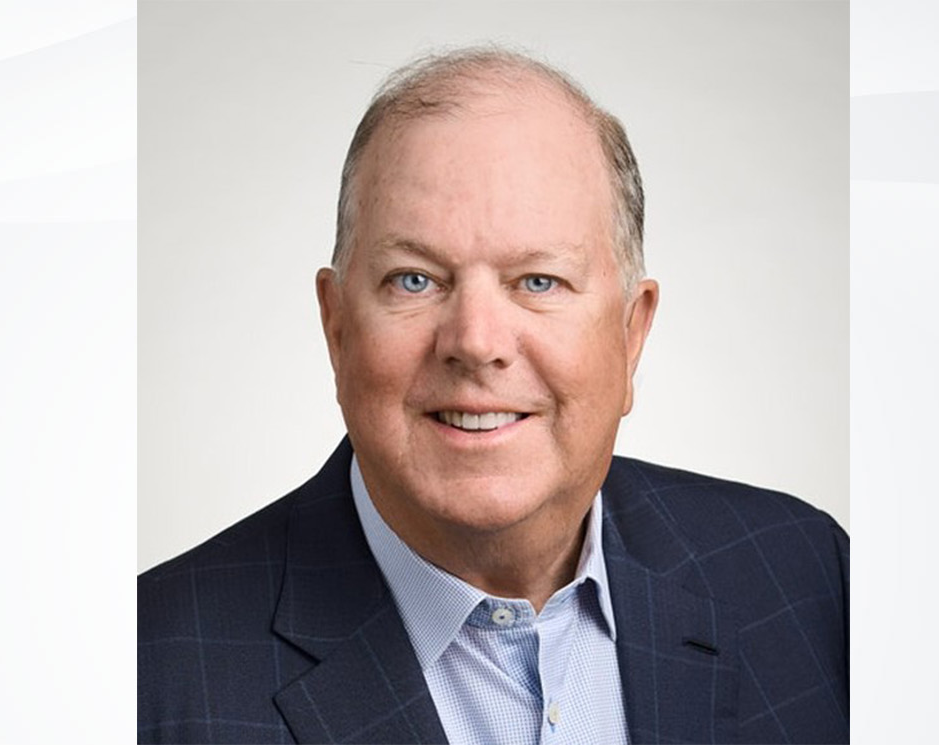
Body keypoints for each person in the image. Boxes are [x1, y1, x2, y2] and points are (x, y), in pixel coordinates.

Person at [138, 47, 848, 744]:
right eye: (414, 279)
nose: (476, 342)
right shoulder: (148, 676)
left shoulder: (807, 578)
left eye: (538, 281)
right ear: (337, 327)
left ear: (631, 334)